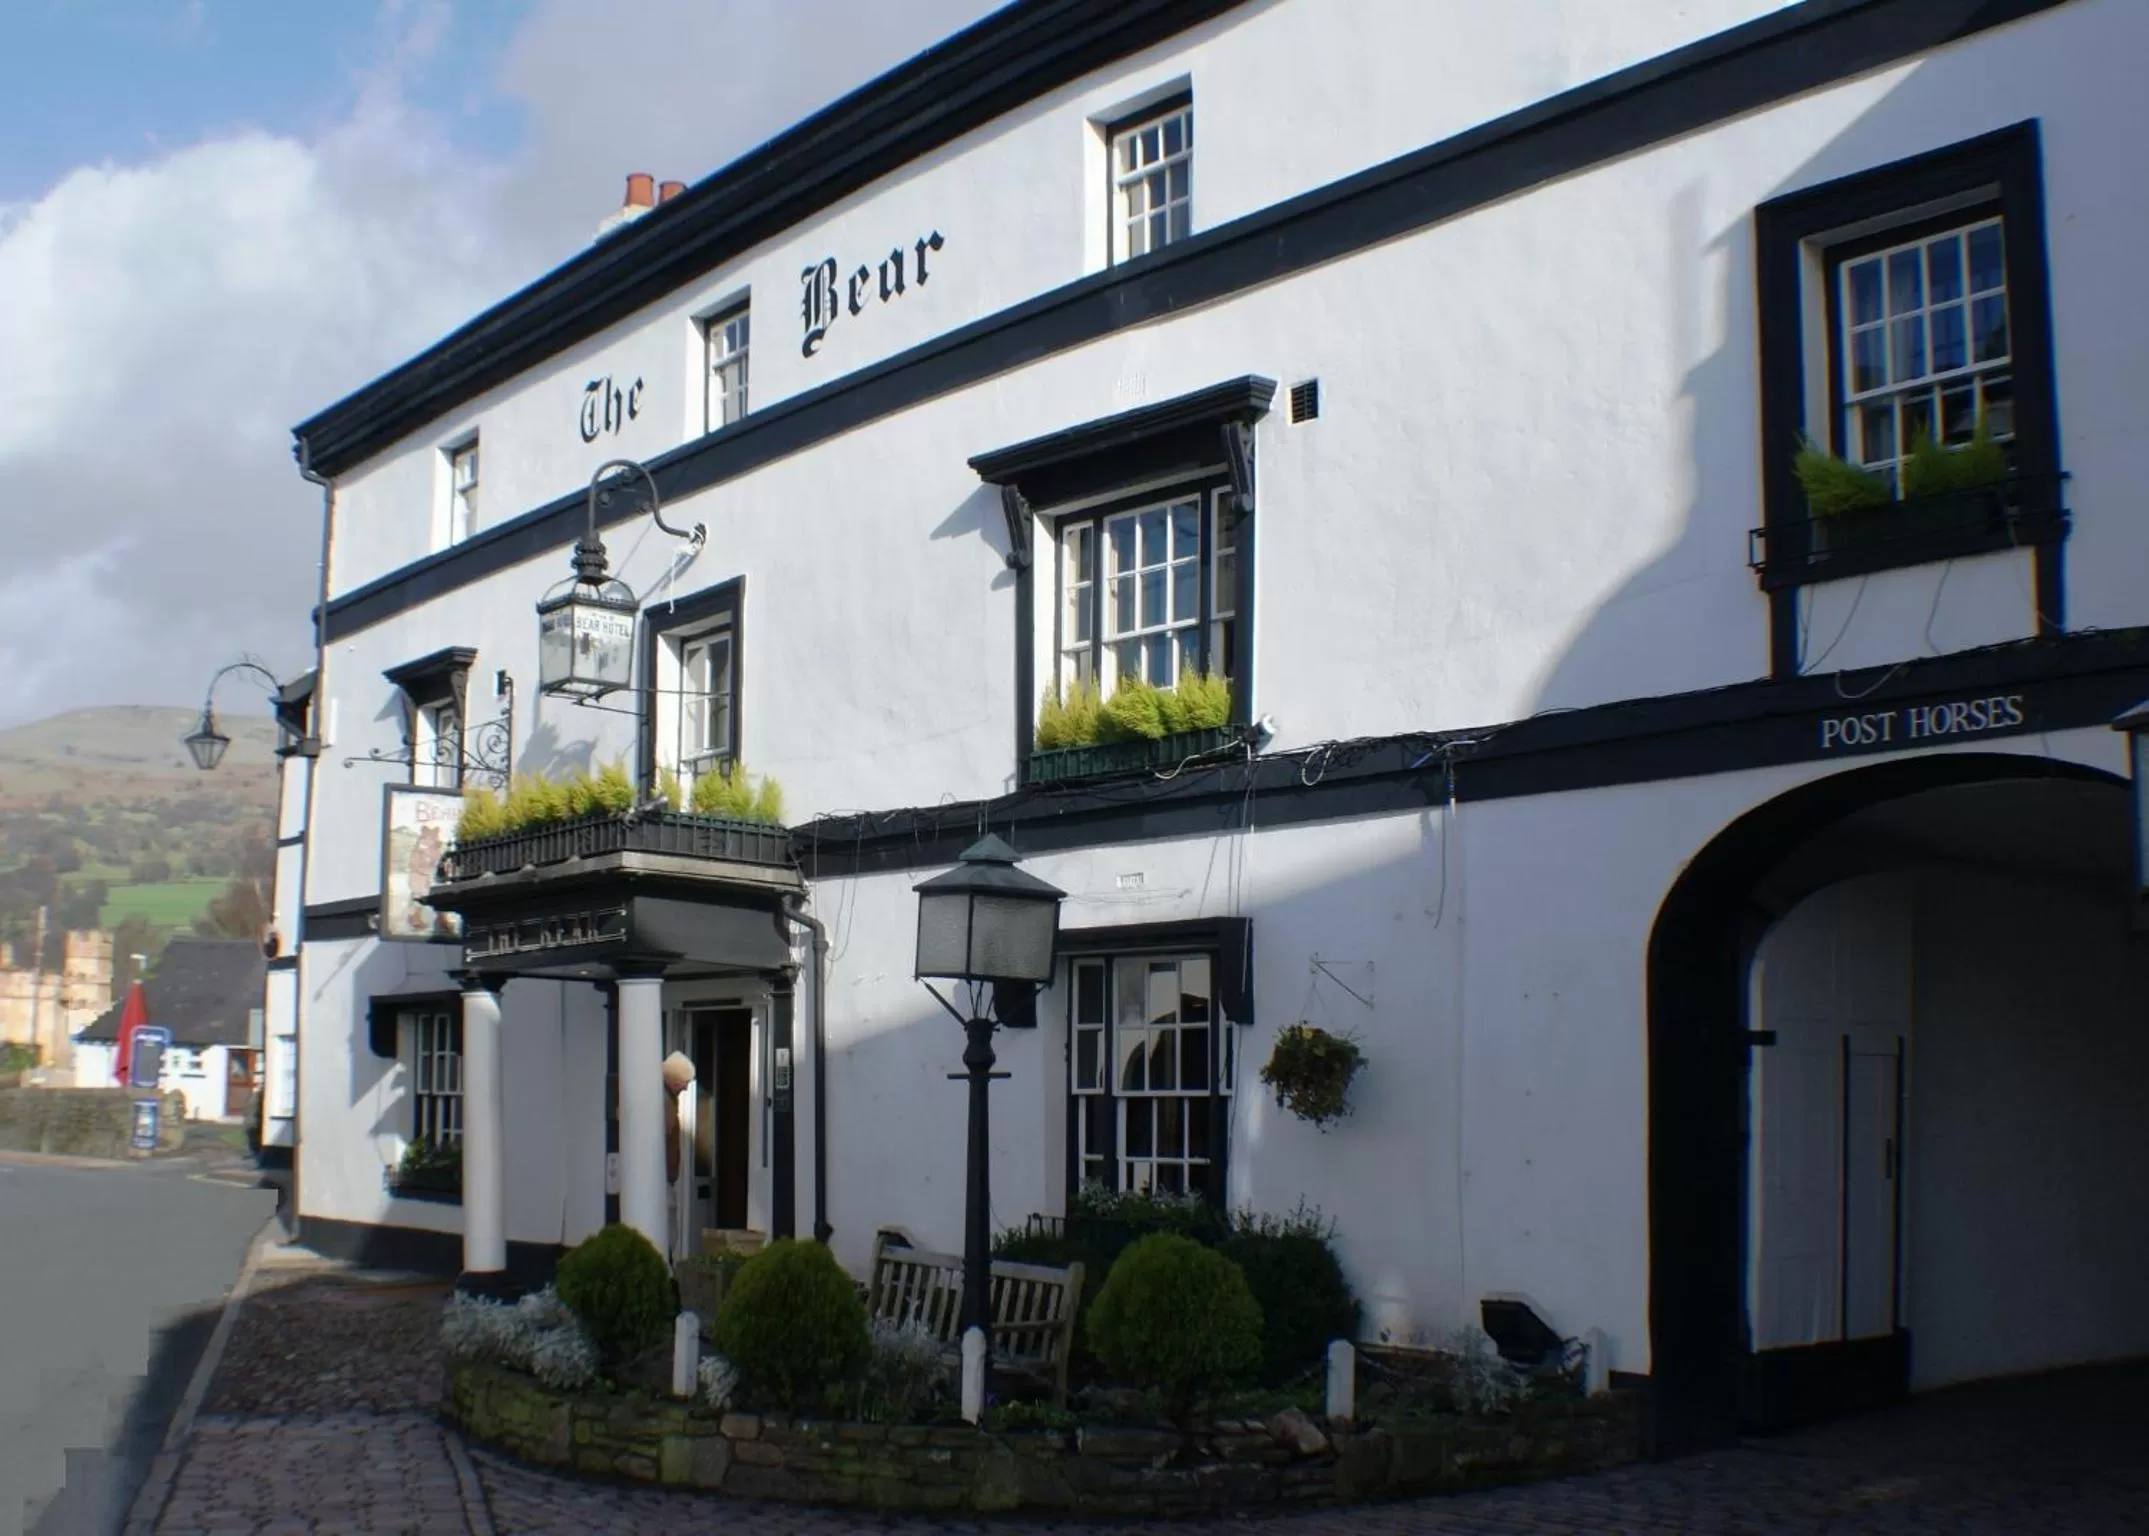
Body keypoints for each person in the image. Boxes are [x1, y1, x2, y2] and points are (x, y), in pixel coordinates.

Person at [662, 1051, 695, 1258]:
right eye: (684, 1081)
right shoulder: (664, 1104)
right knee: (668, 1232)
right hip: (661, 1181)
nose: (686, 1087)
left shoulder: (667, 1100)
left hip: (665, 1179)